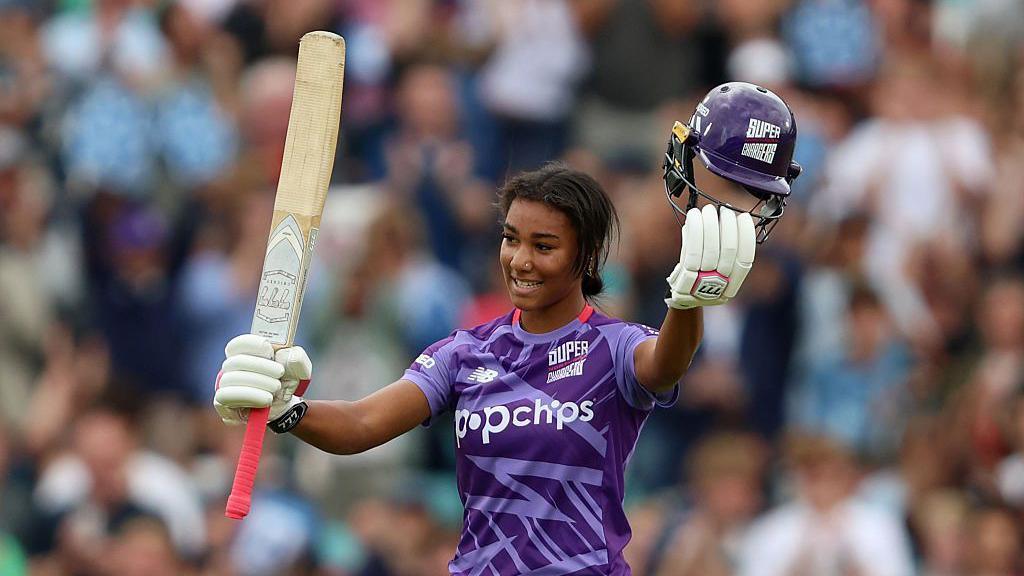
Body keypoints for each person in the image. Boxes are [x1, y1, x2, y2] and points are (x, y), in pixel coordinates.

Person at [213, 82, 801, 574]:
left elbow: (667, 363)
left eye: (543, 246)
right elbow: (364, 424)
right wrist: (290, 410)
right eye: (510, 239)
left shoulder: (616, 347)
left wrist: (688, 302)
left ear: (587, 257)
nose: (520, 260)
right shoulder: (465, 352)